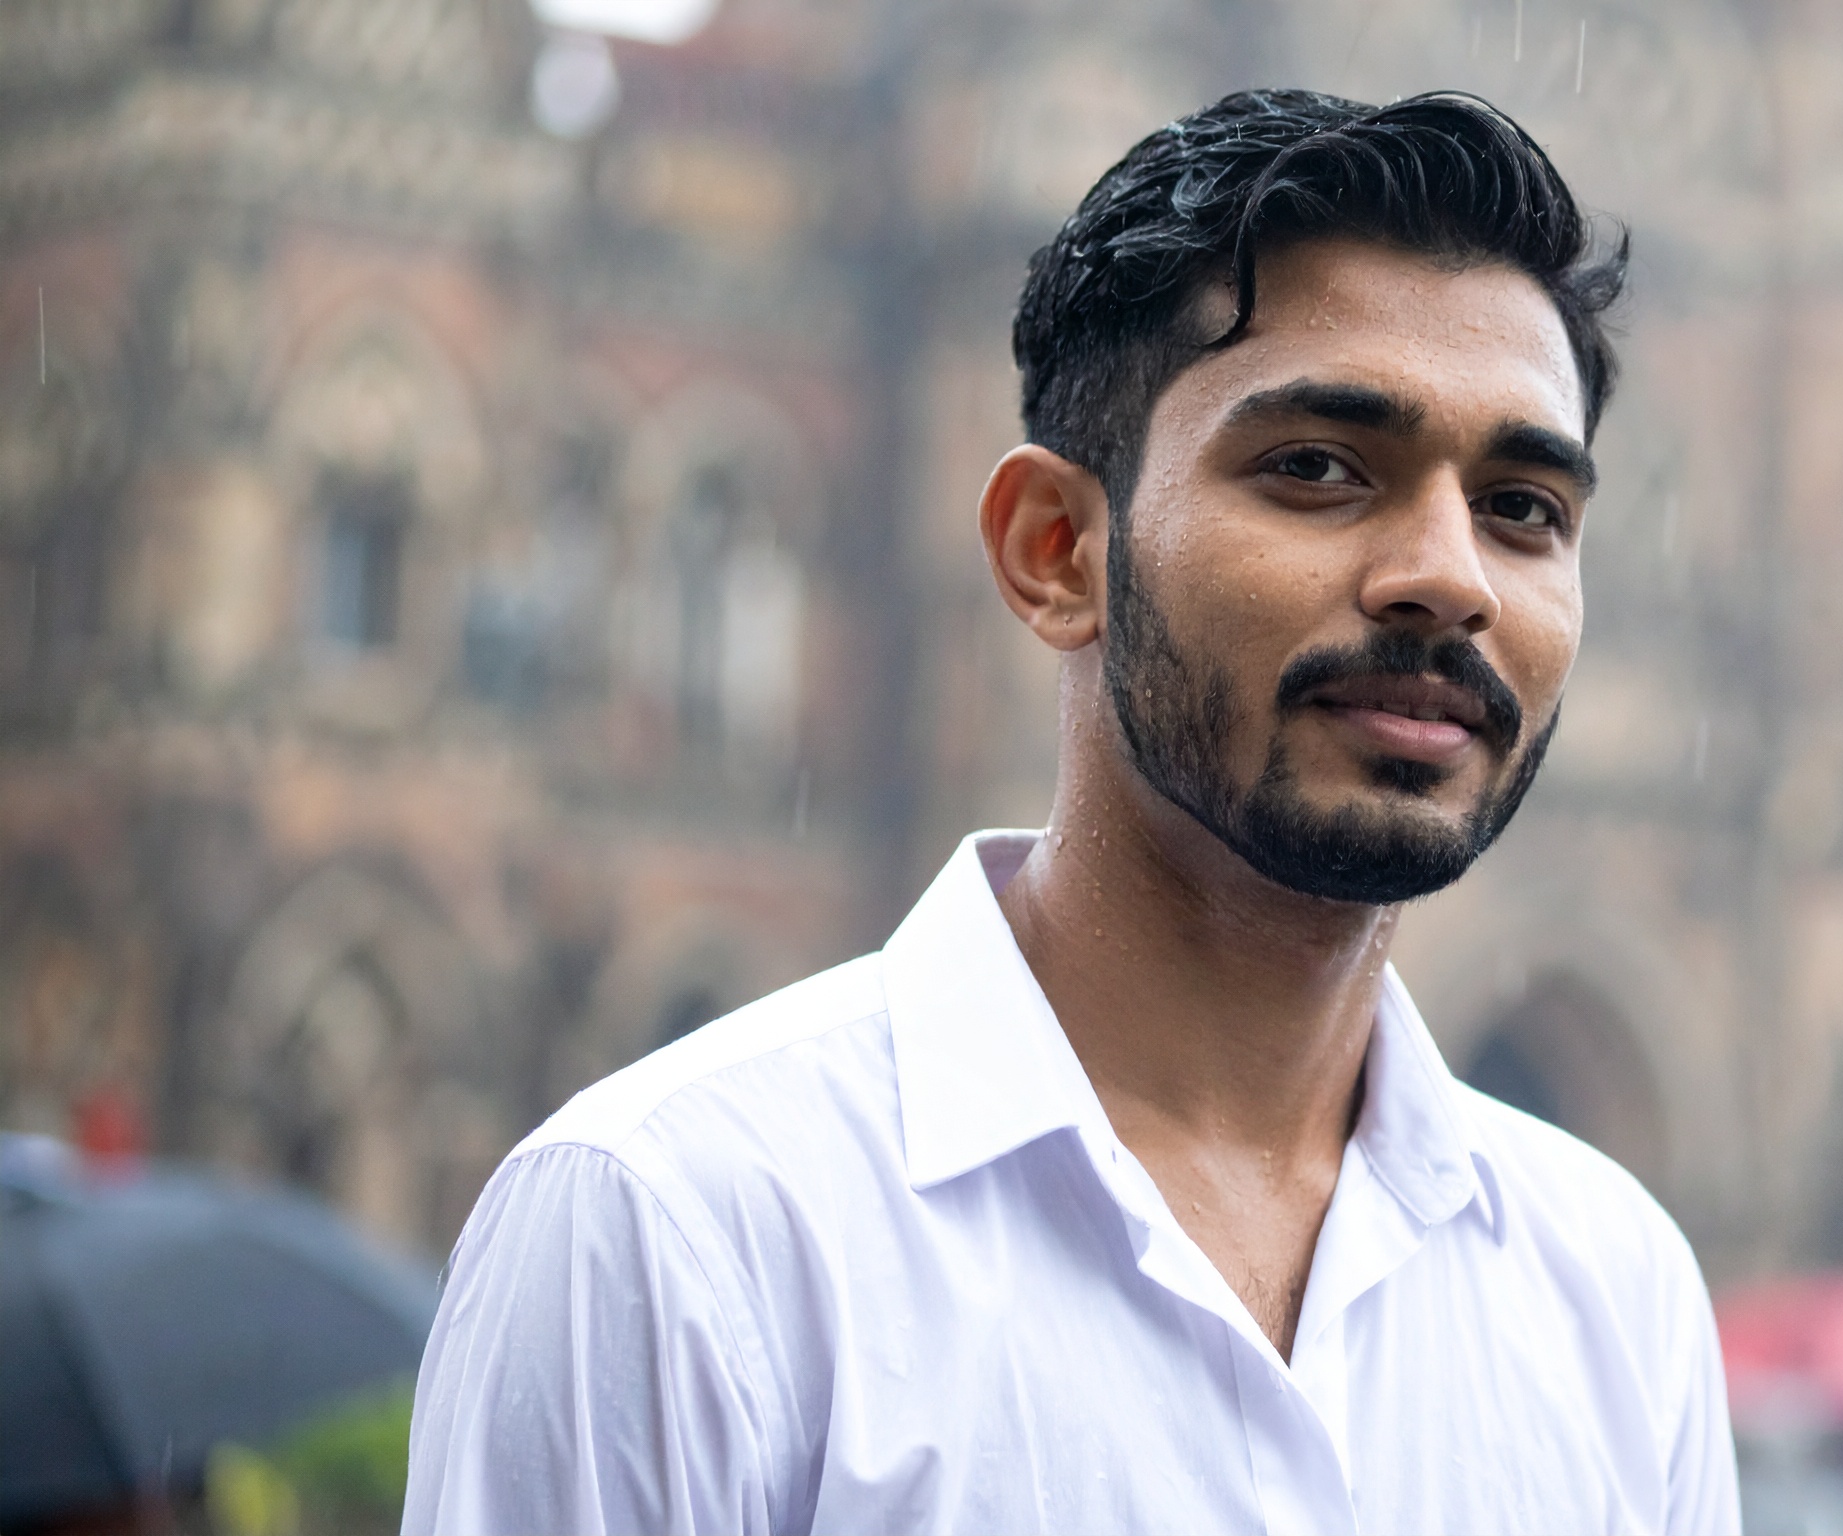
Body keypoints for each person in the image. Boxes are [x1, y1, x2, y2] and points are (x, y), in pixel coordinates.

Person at [403, 88, 1739, 1536]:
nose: (1448, 575)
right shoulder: (681, 1231)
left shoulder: (1612, 1291)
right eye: (1317, 469)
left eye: (1524, 506)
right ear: (1056, 551)